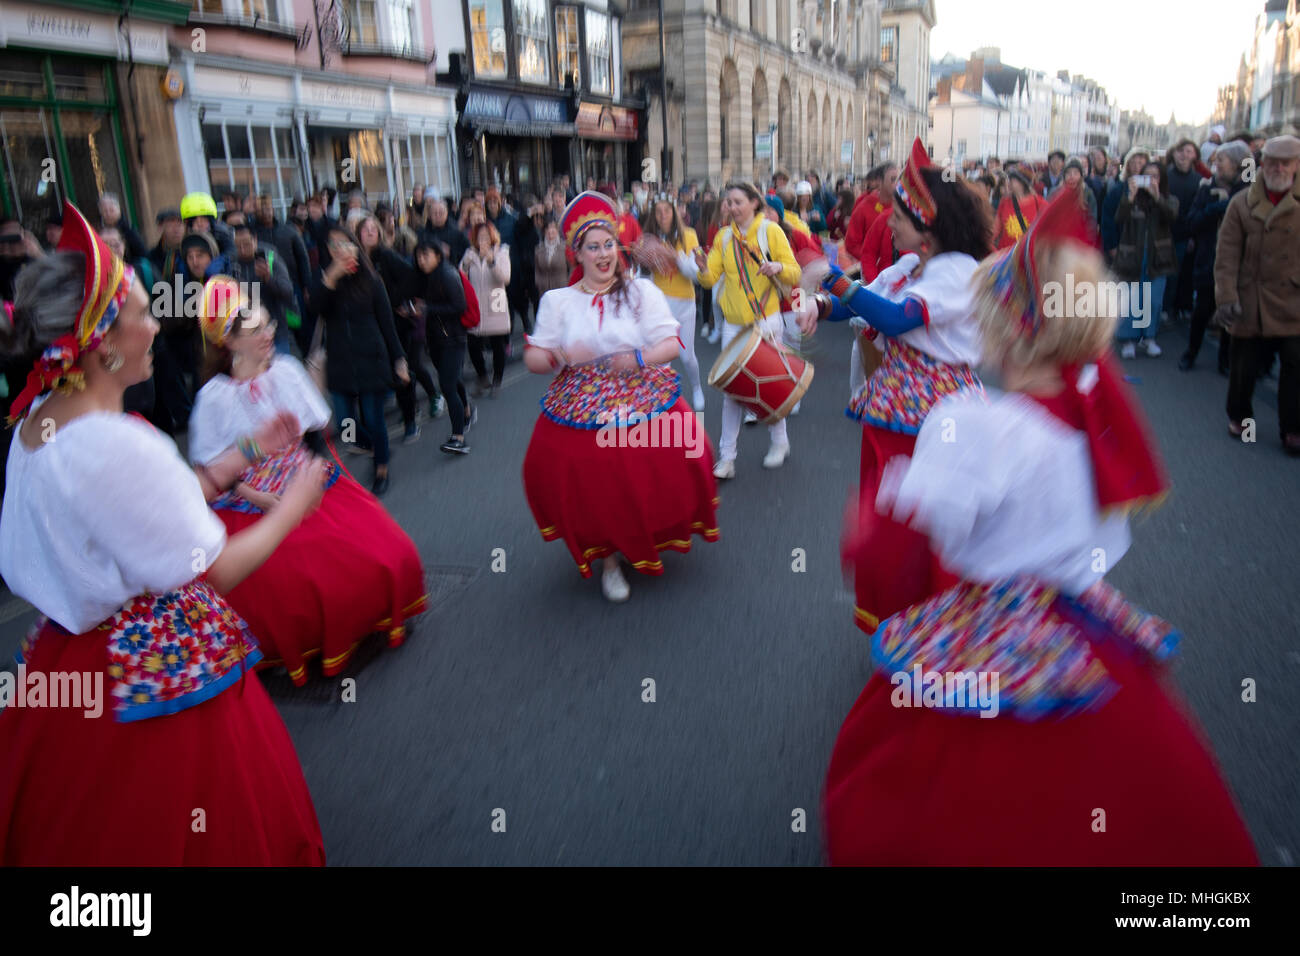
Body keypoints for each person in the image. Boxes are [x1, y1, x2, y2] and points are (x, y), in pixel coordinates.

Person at [824, 190, 1258, 866]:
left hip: (990, 623)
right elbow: (1100, 540)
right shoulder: (1097, 423)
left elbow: (904, 557)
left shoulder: (970, 424)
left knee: (932, 785)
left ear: (1005, 329)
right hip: (1081, 618)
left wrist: (866, 529)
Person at [0, 203, 326, 865]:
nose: (157, 326)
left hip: (67, 653)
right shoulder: (114, 443)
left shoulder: (37, 419)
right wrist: (293, 504)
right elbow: (215, 568)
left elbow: (130, 519)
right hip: (147, 659)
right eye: (143, 314)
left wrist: (240, 453)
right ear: (103, 343)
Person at [189, 277, 427, 684]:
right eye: (257, 329)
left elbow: (316, 436)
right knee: (290, 591)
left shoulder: (285, 370)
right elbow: (212, 473)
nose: (270, 334)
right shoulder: (214, 397)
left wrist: (310, 478)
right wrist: (261, 499)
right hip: (252, 499)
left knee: (388, 554)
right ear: (228, 341)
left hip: (303, 479)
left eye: (269, 325)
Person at [819, 138, 991, 634]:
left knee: (914, 522)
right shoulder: (914, 265)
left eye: (899, 216)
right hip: (896, 407)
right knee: (890, 510)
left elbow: (895, 319)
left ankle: (932, 622)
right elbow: (865, 303)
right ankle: (900, 615)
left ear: (927, 230)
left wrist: (834, 280)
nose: (888, 222)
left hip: (933, 416)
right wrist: (819, 306)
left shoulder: (955, 273)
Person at [522, 191, 719, 602]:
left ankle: (642, 532)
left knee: (684, 455)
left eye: (609, 243)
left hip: (639, 389)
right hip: (580, 402)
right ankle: (609, 559)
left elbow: (670, 343)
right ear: (578, 254)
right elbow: (533, 358)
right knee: (595, 480)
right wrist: (557, 355)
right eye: (593, 247)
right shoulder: (557, 302)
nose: (603, 254)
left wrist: (638, 357)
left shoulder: (642, 292)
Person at [694, 181, 802, 477]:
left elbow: (795, 272)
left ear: (754, 203)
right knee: (732, 391)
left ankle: (780, 442)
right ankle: (727, 458)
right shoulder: (724, 237)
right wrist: (702, 268)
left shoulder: (771, 231)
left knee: (768, 386)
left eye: (738, 201)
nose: (731, 206)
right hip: (733, 326)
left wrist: (777, 268)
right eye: (728, 201)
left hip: (765, 322)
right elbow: (709, 279)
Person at [1214, 134, 1300, 455]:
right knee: (1243, 366)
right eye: (1272, 162)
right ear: (1262, 164)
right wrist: (1226, 297)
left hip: (1293, 298)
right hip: (1250, 296)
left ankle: (1292, 428)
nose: (1278, 168)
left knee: (1295, 364)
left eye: (1285, 163)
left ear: (1296, 165)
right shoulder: (1241, 202)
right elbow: (1226, 256)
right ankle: (1241, 418)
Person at [312, 225, 410, 494]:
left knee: (373, 418)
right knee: (346, 426)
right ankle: (376, 447)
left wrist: (399, 359)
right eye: (333, 246)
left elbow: (387, 323)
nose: (340, 250)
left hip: (372, 358)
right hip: (340, 363)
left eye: (345, 244)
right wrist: (331, 278)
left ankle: (381, 466)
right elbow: (314, 312)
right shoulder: (324, 279)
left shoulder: (372, 280)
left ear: (355, 247)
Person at [1179, 141, 1251, 373]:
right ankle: (1191, 353)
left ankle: (1224, 360)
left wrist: (1230, 203)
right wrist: (1218, 207)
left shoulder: (1250, 191)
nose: (1216, 164)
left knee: (1231, 314)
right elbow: (1192, 222)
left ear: (1237, 163)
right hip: (1209, 261)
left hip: (1239, 266)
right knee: (1202, 312)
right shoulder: (1206, 187)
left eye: (1221, 160)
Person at [410, 239, 474, 454]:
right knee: (453, 380)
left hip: (453, 339)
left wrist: (428, 309)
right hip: (436, 339)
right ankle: (466, 411)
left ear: (437, 255)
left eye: (425, 255)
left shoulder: (447, 274)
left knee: (447, 386)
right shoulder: (426, 277)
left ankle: (458, 437)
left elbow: (459, 305)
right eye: (419, 256)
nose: (421, 260)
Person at [1113, 159, 1178, 359]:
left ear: (1162, 179)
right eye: (1147, 176)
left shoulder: (1170, 199)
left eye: (1155, 176)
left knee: (1153, 300)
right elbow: (1119, 219)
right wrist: (1130, 197)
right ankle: (1128, 340)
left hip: (1158, 257)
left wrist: (1157, 197)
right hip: (1133, 257)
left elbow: (1172, 217)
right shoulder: (1131, 198)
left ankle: (1149, 338)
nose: (1150, 180)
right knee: (1132, 299)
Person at [645, 197, 705, 411]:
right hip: (659, 305)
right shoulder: (650, 238)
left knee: (686, 356)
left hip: (684, 303)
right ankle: (665, 403)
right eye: (658, 211)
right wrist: (645, 258)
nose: (663, 215)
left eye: (667, 210)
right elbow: (644, 275)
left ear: (675, 212)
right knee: (662, 360)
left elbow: (696, 274)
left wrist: (675, 256)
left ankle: (697, 387)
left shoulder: (689, 235)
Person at [226, 222, 295, 356]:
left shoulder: (270, 259)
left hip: (276, 331)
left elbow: (288, 291)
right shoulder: (231, 265)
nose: (242, 249)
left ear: (255, 239)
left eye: (246, 244)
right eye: (238, 246)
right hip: (247, 336)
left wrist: (268, 278)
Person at [461, 222, 511, 398]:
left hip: (495, 301)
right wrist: (464, 266)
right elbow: (460, 278)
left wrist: (491, 262)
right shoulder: (469, 254)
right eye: (480, 236)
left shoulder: (501, 253)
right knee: (473, 344)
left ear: (492, 237)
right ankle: (482, 377)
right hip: (475, 304)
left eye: (486, 236)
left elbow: (505, 278)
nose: (483, 240)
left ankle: (497, 381)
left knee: (498, 344)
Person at [994, 169, 1047, 248]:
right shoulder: (1004, 202)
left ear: (1022, 183)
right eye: (1008, 180)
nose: (1008, 183)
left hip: (1026, 254)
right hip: (1006, 254)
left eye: (1012, 180)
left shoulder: (1039, 203)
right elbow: (996, 228)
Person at [534, 218, 569, 297]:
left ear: (557, 230)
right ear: (544, 231)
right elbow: (537, 270)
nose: (550, 231)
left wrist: (568, 284)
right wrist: (539, 283)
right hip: (544, 291)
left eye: (553, 228)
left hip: (562, 289)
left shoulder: (565, 248)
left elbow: (571, 268)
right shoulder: (538, 249)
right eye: (547, 228)